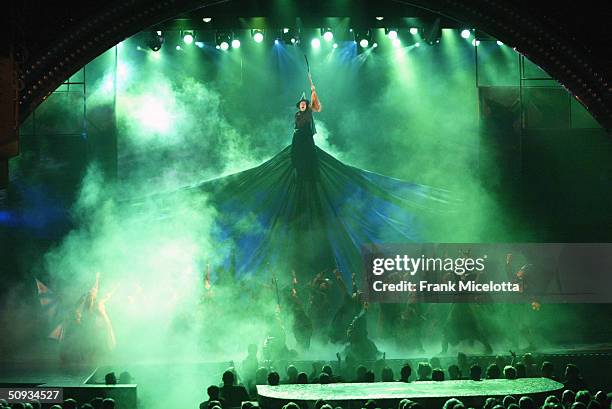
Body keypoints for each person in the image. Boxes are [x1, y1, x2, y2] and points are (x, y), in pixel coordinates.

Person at [291, 73, 322, 182]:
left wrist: (313, 90)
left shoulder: (309, 111)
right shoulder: (297, 115)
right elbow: (296, 128)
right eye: (301, 104)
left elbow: (316, 105)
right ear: (299, 106)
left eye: (304, 103)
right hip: (299, 139)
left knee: (310, 157)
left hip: (307, 139)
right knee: (297, 156)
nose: (303, 105)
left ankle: (312, 175)